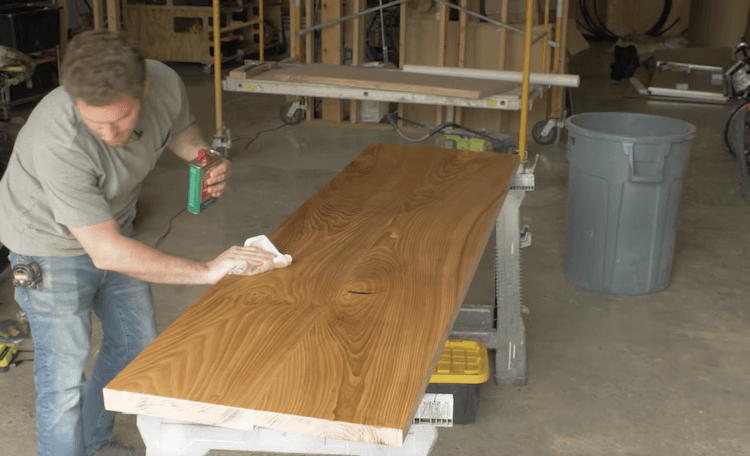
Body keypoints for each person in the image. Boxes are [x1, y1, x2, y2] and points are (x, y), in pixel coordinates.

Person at [0, 30, 287, 456]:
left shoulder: (164, 82)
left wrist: (203, 158)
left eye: (121, 118)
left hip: (112, 226)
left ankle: (95, 443)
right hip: (47, 247)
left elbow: (179, 128)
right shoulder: (56, 140)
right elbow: (107, 251)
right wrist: (207, 271)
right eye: (95, 121)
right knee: (63, 379)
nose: (109, 133)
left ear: (145, 89)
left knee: (137, 347)